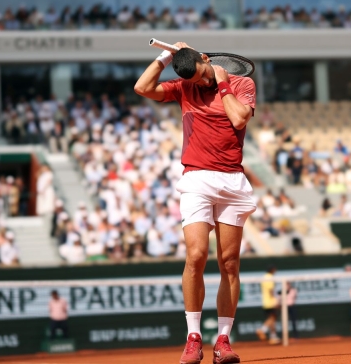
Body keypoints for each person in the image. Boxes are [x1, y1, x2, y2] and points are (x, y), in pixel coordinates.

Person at [135, 41, 257, 364]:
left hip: (232, 180)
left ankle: (223, 341)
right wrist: (165, 56)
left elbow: (240, 118)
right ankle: (193, 338)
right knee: (196, 255)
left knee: (229, 262)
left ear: (207, 60)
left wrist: (222, 82)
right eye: (196, 80)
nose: (201, 83)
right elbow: (142, 87)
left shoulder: (241, 83)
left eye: (203, 75)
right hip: (197, 178)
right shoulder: (184, 86)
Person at [256, 266, 281, 345]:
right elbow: (271, 290)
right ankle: (262, 330)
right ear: (272, 270)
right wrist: (275, 300)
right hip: (270, 302)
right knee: (273, 318)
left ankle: (273, 337)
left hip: (265, 302)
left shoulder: (263, 277)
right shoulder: (270, 278)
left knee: (272, 319)